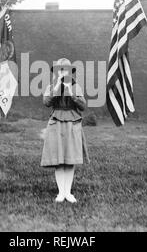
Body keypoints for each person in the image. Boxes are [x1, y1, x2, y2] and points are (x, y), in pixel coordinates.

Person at [41, 58, 89, 203]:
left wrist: (69, 91)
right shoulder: (51, 86)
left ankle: (68, 192)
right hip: (56, 123)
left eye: (65, 70)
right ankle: (61, 192)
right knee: (59, 160)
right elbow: (46, 102)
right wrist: (57, 87)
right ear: (56, 72)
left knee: (69, 159)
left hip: (72, 123)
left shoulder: (75, 86)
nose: (63, 73)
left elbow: (83, 106)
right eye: (60, 70)